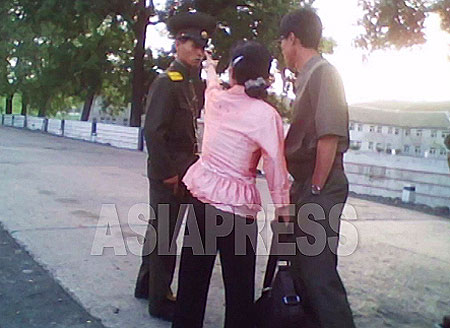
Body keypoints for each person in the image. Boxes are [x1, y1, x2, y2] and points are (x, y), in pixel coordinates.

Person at [172, 41, 291, 328]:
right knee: (239, 292)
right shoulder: (266, 116)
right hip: (237, 213)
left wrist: (209, 66)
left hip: (202, 205)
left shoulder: (215, 100)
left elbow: (212, 84)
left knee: (190, 286)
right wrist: (283, 207)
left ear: (233, 71)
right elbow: (275, 164)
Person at [134, 11, 216, 321]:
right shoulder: (168, 82)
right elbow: (153, 132)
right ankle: (160, 300)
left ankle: (145, 286)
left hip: (182, 174)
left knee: (159, 232)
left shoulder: (189, 82)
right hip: (169, 176)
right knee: (165, 238)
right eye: (194, 46)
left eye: (202, 48)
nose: (199, 53)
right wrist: (169, 173)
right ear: (179, 43)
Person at [279, 8, 356, 328]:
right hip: (308, 183)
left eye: (282, 42)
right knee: (301, 268)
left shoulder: (324, 72)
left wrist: (315, 189)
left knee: (318, 273)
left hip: (319, 182)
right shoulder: (307, 76)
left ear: (293, 39)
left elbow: (328, 137)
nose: (282, 49)